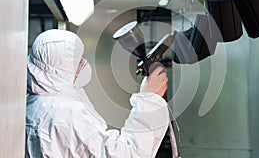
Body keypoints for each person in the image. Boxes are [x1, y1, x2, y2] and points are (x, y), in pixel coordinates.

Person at [25, 29, 169, 158]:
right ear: (61, 69)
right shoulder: (67, 113)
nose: (83, 63)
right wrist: (149, 98)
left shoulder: (31, 105)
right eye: (78, 61)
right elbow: (127, 153)